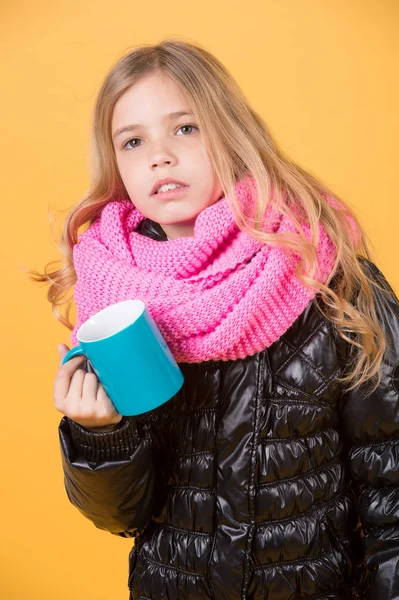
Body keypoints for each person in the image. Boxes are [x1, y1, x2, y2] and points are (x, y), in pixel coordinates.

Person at [28, 39, 399, 600]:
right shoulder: (112, 295)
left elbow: (392, 493)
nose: (160, 155)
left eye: (185, 128)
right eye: (133, 141)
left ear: (230, 133)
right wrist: (99, 437)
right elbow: (124, 515)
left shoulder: (329, 279)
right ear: (117, 166)